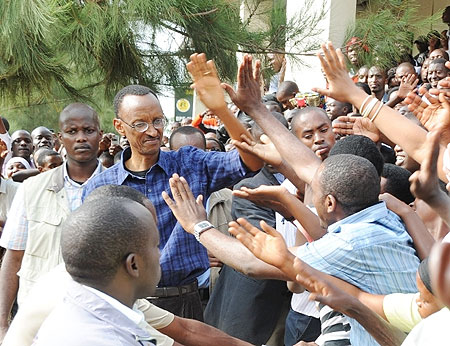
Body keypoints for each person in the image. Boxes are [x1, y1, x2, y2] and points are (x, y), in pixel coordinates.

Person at [82, 53, 263, 320]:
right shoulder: (100, 187)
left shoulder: (189, 164)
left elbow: (251, 160)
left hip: (185, 303)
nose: (153, 131)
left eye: (158, 121)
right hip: (125, 308)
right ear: (120, 126)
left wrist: (222, 110)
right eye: (141, 124)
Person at [0, 103, 104, 342]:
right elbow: (13, 257)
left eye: (88, 130)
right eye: (72, 131)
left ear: (99, 134)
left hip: (99, 320)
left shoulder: (119, 187)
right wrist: (3, 324)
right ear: (60, 138)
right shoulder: (31, 189)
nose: (80, 138)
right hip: (40, 321)